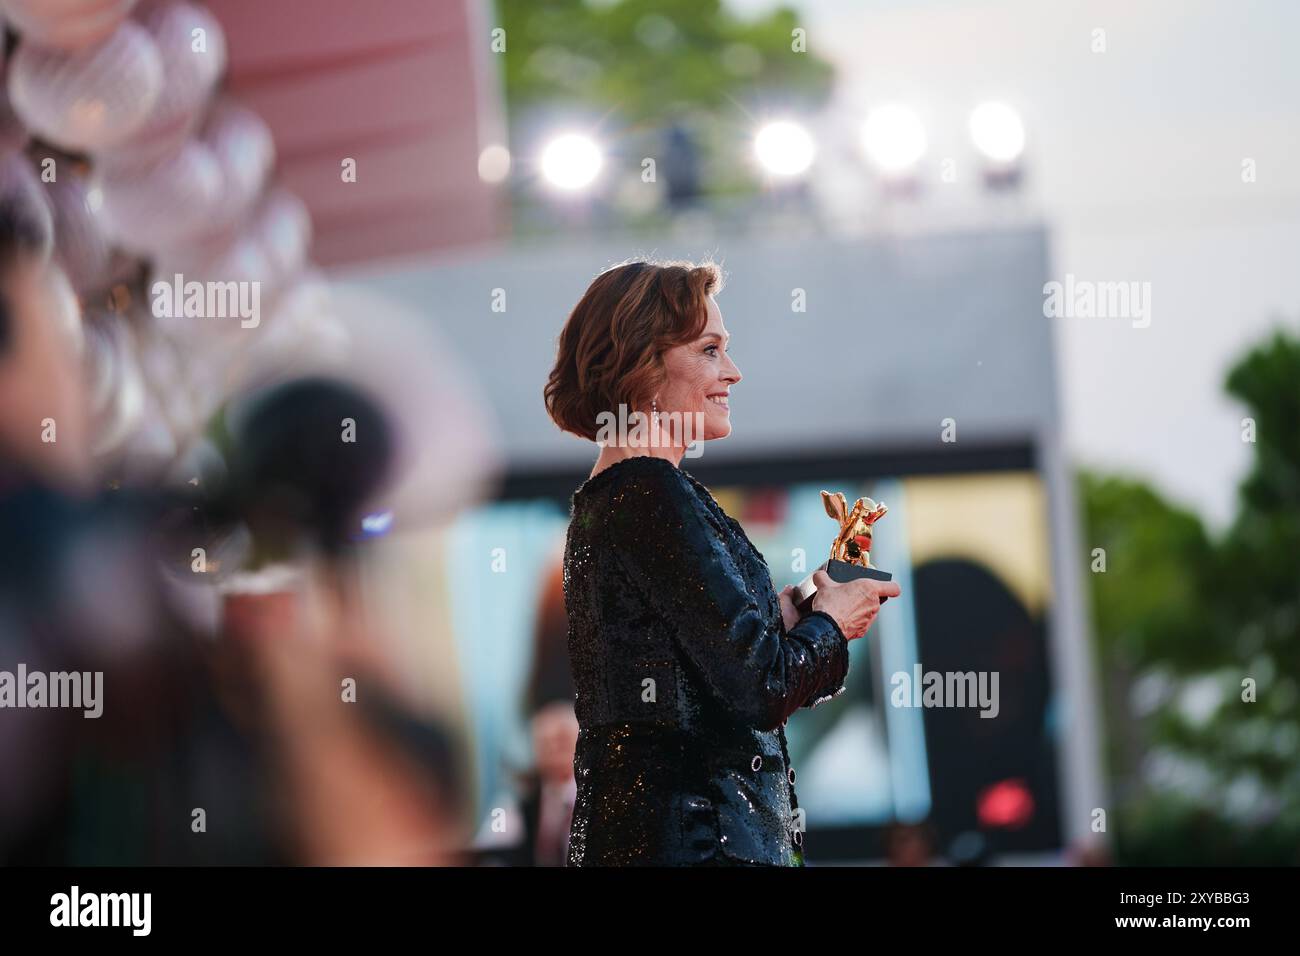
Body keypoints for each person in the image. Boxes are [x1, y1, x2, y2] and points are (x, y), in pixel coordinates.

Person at [543, 259, 900, 866]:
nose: (732, 373)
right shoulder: (649, 494)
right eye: (710, 351)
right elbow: (759, 688)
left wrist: (794, 612)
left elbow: (697, 663)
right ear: (643, 365)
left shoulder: (618, 497)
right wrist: (832, 622)